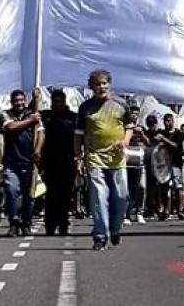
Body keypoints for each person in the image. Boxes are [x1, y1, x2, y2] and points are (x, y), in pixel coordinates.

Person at [75, 69, 133, 251]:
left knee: (121, 197)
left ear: (109, 84)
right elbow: (78, 135)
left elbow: (129, 127)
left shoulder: (121, 104)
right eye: (97, 84)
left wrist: (125, 141)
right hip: (94, 157)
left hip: (117, 158)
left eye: (103, 83)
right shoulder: (85, 108)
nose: (101, 87)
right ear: (91, 87)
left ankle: (115, 229)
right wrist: (78, 157)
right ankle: (100, 236)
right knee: (98, 197)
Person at [0, 89, 44, 237]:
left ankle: (26, 223)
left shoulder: (32, 113)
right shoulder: (6, 114)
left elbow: (41, 133)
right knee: (11, 190)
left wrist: (37, 150)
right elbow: (11, 127)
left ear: (24, 100)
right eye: (16, 100)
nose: (19, 103)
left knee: (28, 196)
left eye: (21, 100)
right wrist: (30, 120)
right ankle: (13, 222)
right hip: (11, 162)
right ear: (11, 102)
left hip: (29, 162)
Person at [40, 89, 78, 236]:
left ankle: (63, 224)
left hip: (67, 161)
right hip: (49, 161)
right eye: (54, 101)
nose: (57, 104)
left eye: (60, 101)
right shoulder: (45, 116)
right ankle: (50, 225)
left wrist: (78, 158)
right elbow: (33, 114)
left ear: (64, 101)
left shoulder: (72, 118)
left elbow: (78, 138)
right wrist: (36, 96)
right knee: (51, 195)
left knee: (65, 195)